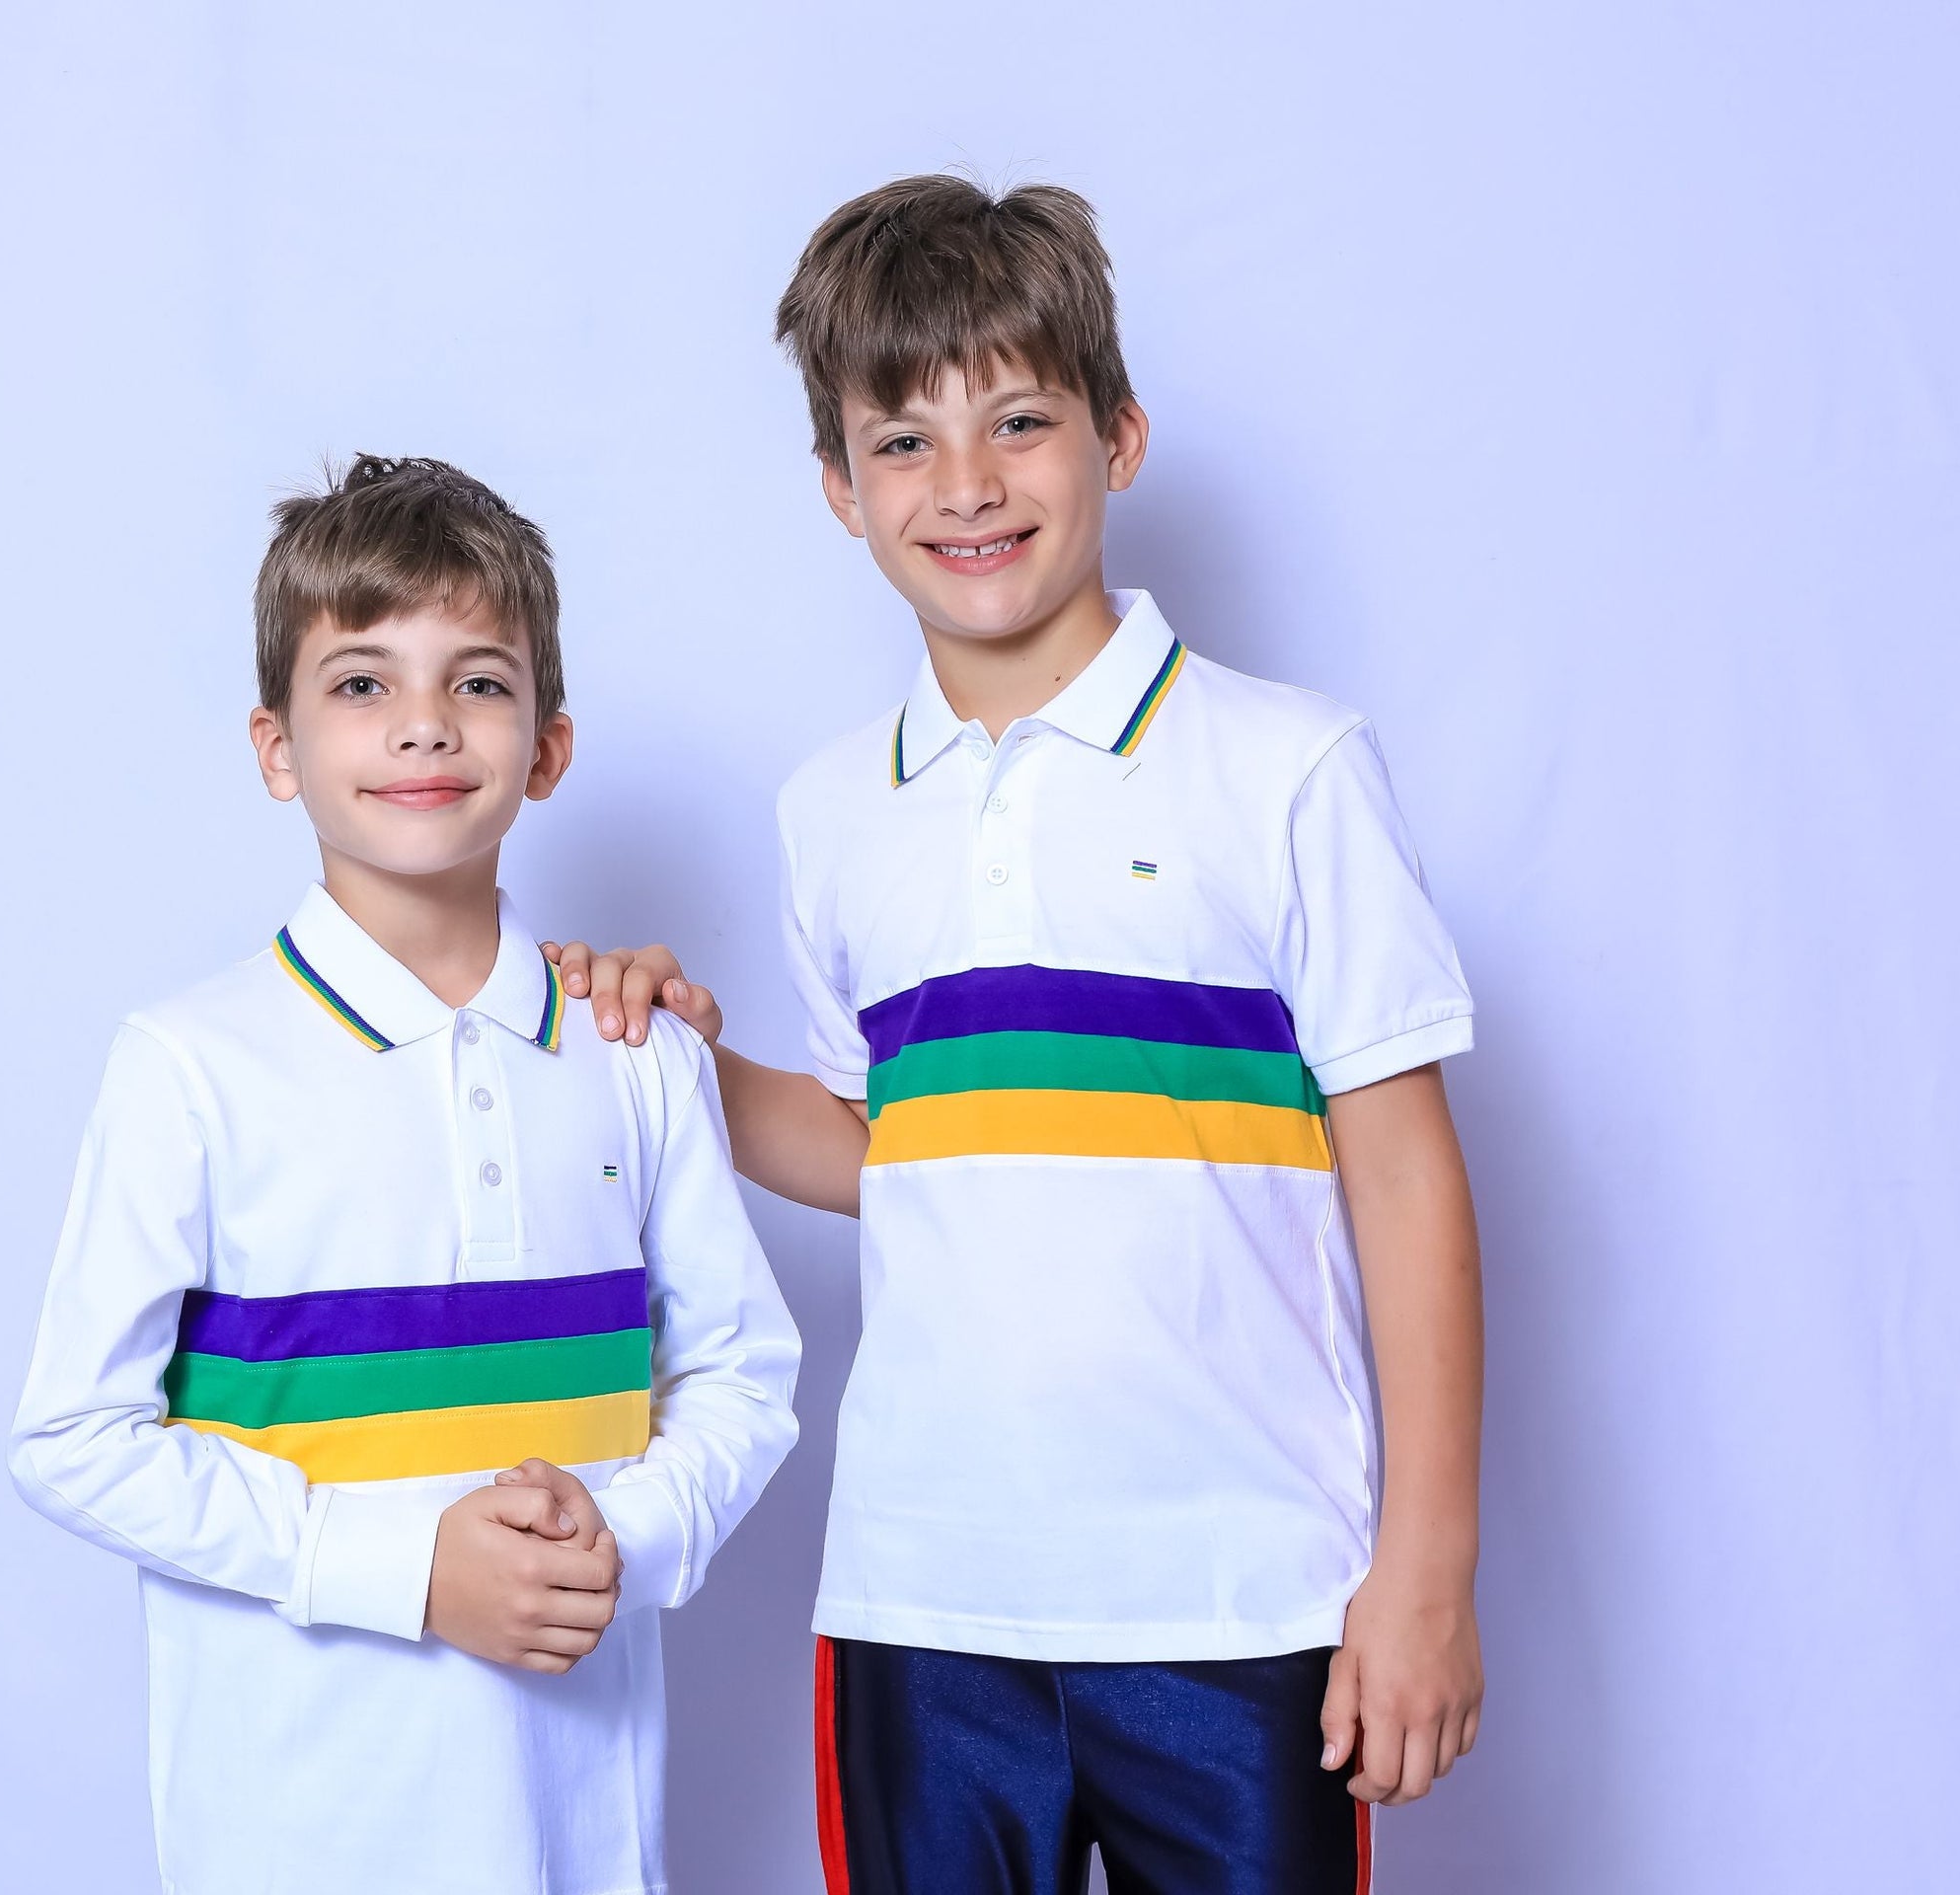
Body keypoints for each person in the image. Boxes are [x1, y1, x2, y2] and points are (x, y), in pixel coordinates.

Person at [553, 177, 1484, 1894]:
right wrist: (674, 1053)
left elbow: (1408, 1179)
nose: (966, 484)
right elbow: (891, 1143)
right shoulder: (836, 809)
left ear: (1118, 437)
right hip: (924, 1605)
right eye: (903, 441)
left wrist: (1423, 1571)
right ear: (840, 489)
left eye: (1021, 421)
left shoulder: (1286, 768)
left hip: (1242, 1602)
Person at [8, 455, 799, 1895]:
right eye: (362, 683)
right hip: (294, 1829)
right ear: (277, 747)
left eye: (478, 682)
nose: (424, 723)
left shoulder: (637, 1054)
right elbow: (74, 1438)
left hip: (582, 1835)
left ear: (548, 748)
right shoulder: (190, 1065)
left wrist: (616, 1540)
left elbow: (744, 1374)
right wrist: (412, 1569)